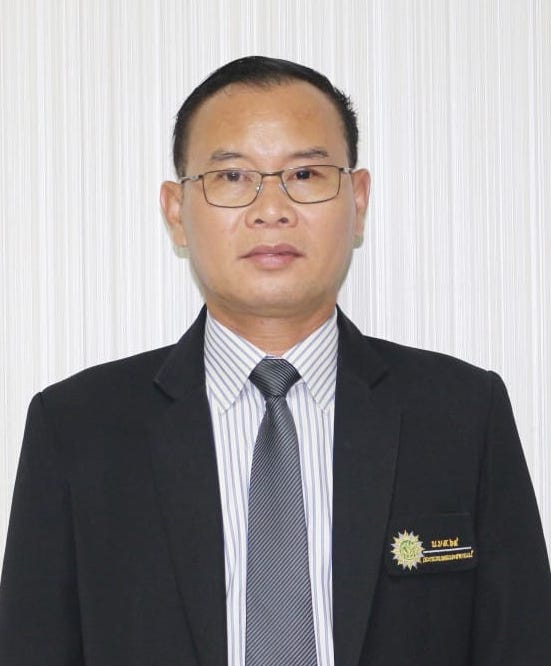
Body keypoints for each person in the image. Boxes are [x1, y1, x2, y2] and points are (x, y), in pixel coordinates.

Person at [0, 55, 550, 666]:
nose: (271, 209)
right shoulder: (76, 428)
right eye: (232, 177)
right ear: (177, 211)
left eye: (306, 174)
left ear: (358, 199)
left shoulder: (463, 415)